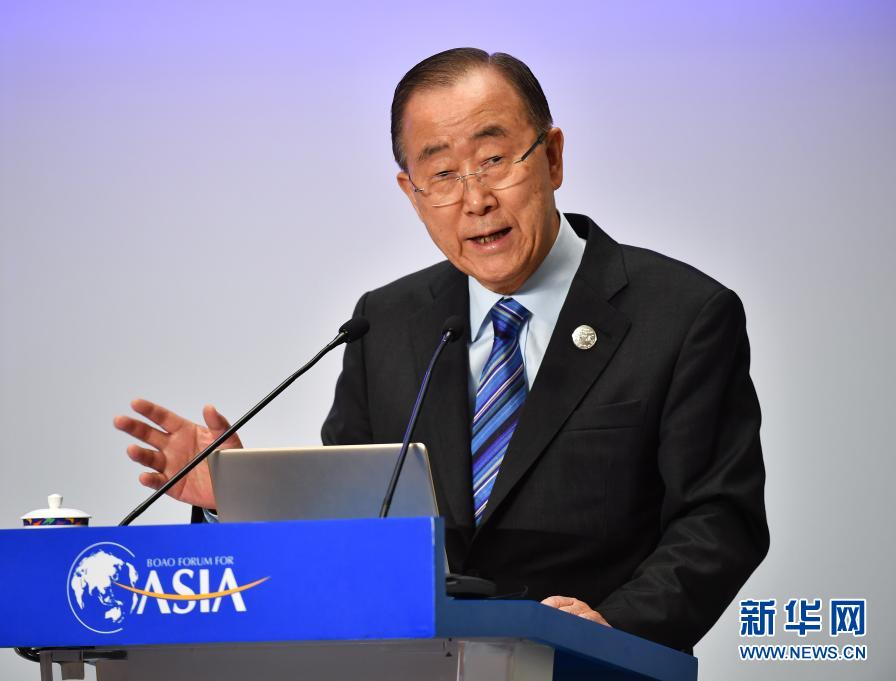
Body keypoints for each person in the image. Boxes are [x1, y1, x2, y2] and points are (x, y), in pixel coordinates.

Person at [114, 48, 768, 652]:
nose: (475, 200)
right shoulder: (384, 324)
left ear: (553, 157)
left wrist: (614, 626)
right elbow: (356, 527)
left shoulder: (681, 315)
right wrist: (239, 497)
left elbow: (719, 518)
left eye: (494, 160)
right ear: (412, 193)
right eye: (443, 174)